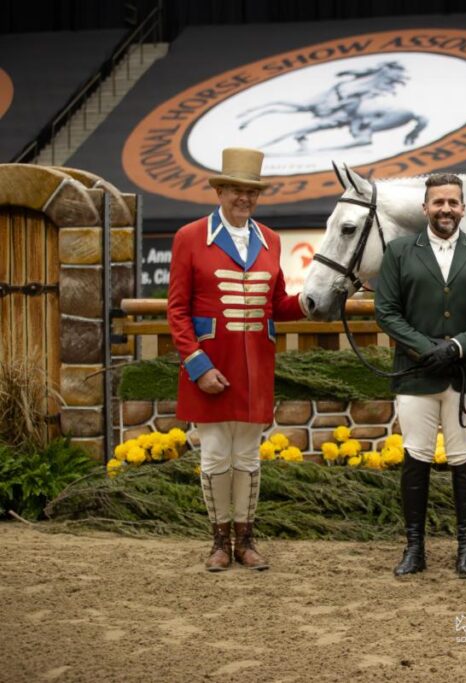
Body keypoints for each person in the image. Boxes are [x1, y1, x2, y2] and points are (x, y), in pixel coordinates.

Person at [168, 147, 307, 572]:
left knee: (248, 458)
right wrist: (198, 366)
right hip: (211, 365)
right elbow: (177, 310)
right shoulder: (190, 236)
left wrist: (313, 300)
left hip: (255, 367)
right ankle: (218, 543)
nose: (244, 198)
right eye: (236, 190)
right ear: (220, 191)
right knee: (214, 456)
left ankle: (245, 541)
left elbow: (276, 304)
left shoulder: (271, 240)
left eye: (252, 192)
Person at [375, 173, 466, 579]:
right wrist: (426, 348)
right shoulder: (400, 252)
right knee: (416, 456)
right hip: (417, 373)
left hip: (465, 374)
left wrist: (457, 347)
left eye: (452, 202)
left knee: (464, 459)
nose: (445, 209)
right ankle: (414, 548)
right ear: (425, 208)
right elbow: (387, 311)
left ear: (463, 208)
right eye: (438, 202)